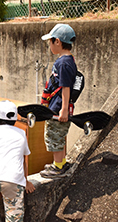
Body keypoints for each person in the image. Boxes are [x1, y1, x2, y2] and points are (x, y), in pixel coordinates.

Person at [0, 100, 35, 222]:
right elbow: (23, 160)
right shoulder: (21, 134)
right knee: (14, 215)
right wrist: (26, 181)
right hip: (11, 180)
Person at [40, 23, 77, 178]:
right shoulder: (67, 60)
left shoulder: (63, 63)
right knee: (58, 135)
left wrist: (63, 109)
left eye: (50, 41)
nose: (49, 45)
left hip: (58, 107)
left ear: (58, 42)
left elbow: (66, 87)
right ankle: (60, 163)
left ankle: (58, 167)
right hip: (58, 106)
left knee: (54, 136)